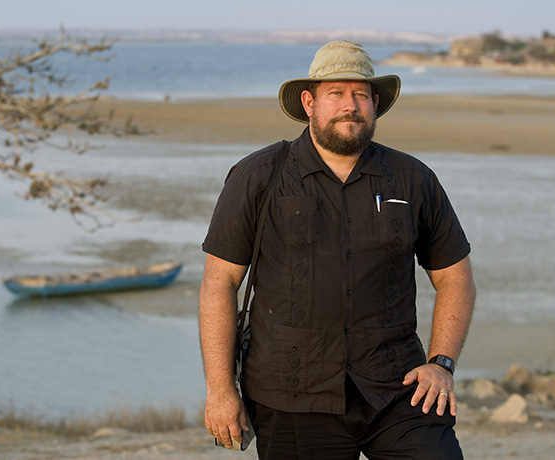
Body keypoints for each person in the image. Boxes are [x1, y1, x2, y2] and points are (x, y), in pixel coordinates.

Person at [198, 40, 476, 459]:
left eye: (361, 94)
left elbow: (455, 277)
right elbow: (219, 283)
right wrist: (221, 391)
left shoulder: (413, 179)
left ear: (375, 104)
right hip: (291, 395)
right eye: (336, 94)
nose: (351, 105)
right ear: (309, 102)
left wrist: (441, 363)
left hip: (398, 389)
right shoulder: (259, 176)